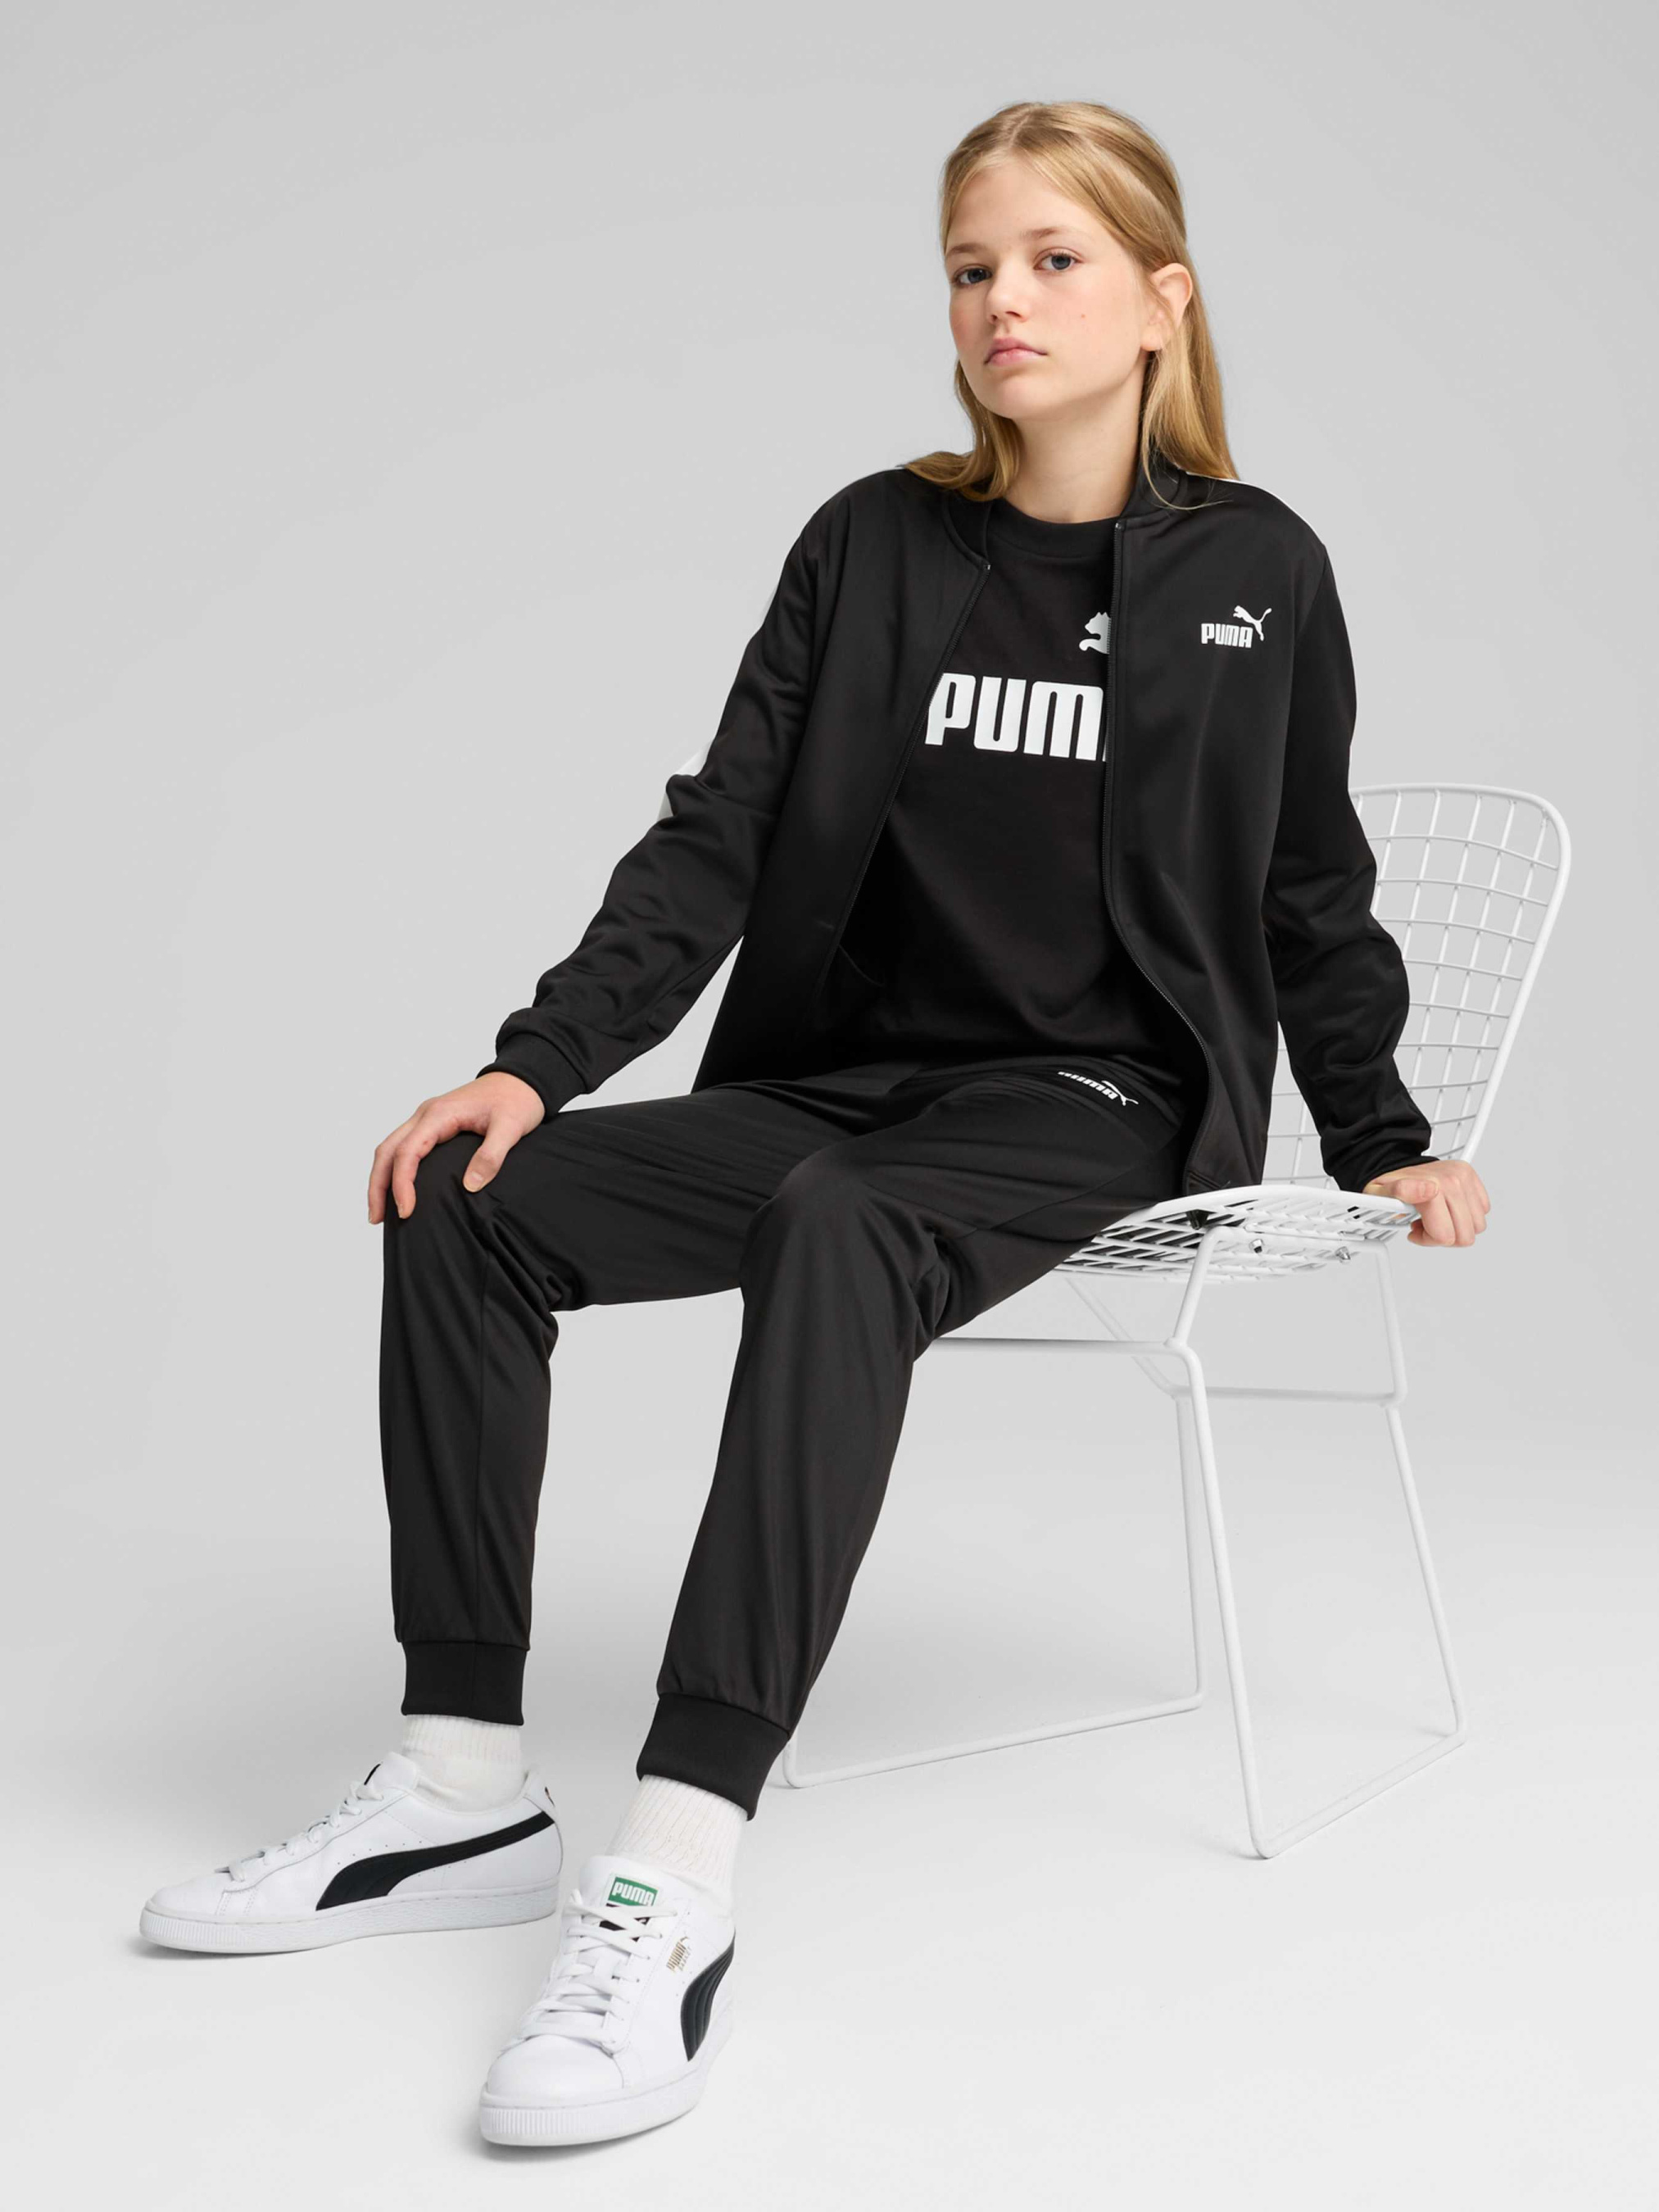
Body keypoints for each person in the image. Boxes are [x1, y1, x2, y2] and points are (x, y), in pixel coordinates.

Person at [138, 97, 1490, 2146]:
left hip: (1099, 1099)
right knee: (467, 1196)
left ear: (1160, 299)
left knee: (843, 1222)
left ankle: (675, 1871)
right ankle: (455, 1789)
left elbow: (1306, 884)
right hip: (851, 1082)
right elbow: (723, 830)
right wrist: (534, 1066)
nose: (1002, 300)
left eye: (1050, 259)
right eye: (969, 266)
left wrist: (1380, 1129)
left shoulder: (1255, 572)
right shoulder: (873, 542)